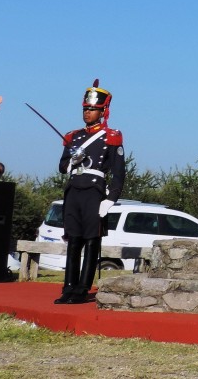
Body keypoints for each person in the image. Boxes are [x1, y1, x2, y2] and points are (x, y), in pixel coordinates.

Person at [55, 79, 126, 305]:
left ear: (103, 111)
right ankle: (68, 287)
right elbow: (62, 167)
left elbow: (119, 172)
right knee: (74, 240)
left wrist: (111, 198)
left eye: (93, 110)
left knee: (91, 241)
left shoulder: (111, 136)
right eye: (85, 109)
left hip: (95, 192)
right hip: (74, 190)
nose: (87, 113)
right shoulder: (73, 136)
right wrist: (72, 160)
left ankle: (83, 288)